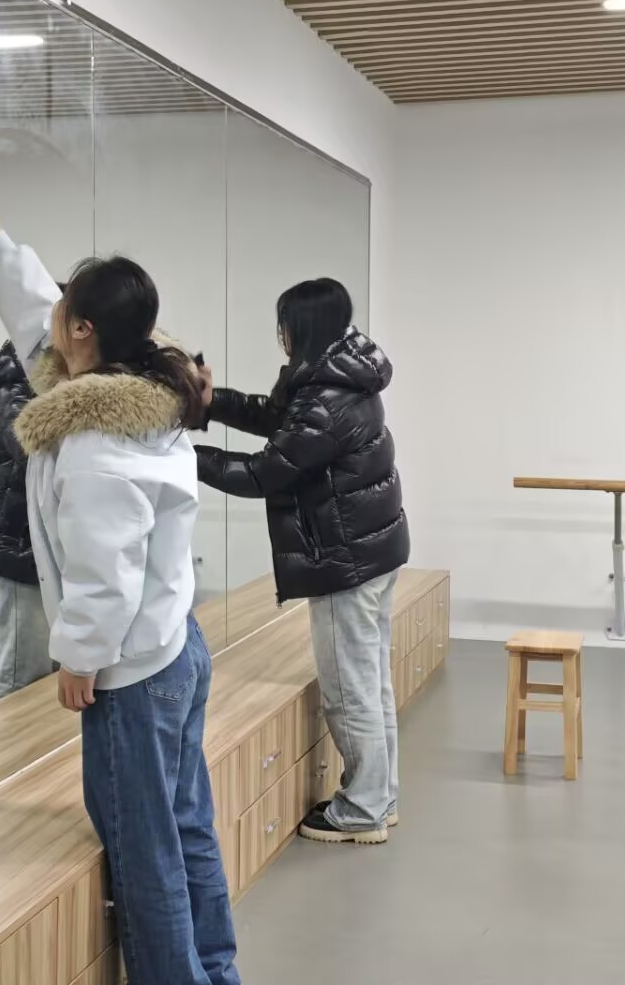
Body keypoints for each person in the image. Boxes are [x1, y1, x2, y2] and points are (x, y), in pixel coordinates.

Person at [0, 156, 240, 985]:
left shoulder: (96, 442)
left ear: (82, 331)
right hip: (172, 648)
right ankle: (214, 971)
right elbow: (31, 301)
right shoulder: (139, 389)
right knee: (186, 826)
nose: (48, 318)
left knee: (145, 849)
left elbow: (106, 574)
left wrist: (77, 659)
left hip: (132, 670)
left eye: (64, 310)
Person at [195, 278, 409, 845]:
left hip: (346, 560)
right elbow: (277, 417)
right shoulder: (338, 375)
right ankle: (380, 796)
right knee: (371, 682)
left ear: (300, 328)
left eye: (283, 325)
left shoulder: (325, 398)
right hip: (373, 549)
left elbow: (266, 472)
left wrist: (185, 458)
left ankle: (362, 810)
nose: (280, 336)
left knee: (350, 689)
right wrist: (212, 402)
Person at [0, 340, 58, 702]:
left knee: (49, 680)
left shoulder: (45, 387)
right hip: (18, 555)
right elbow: (37, 457)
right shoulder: (17, 392)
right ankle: (3, 744)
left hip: (42, 556)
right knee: (19, 681)